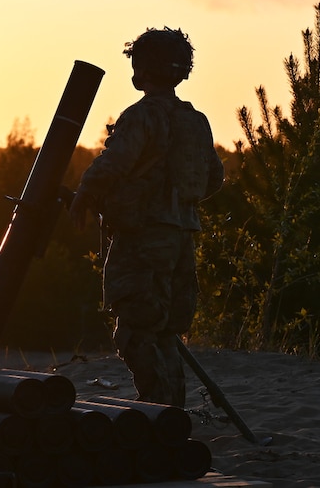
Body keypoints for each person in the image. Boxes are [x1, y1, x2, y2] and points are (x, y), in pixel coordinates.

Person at [69, 27, 224, 407]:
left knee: (137, 331)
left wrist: (84, 196)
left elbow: (113, 164)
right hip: (181, 238)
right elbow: (214, 178)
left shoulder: (141, 117)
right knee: (166, 333)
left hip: (142, 240)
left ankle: (157, 412)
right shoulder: (196, 121)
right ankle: (172, 414)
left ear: (143, 69)